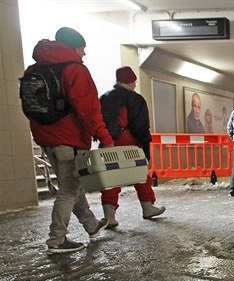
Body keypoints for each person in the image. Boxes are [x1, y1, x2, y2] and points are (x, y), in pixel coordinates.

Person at [26, 27, 113, 253]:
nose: (84, 54)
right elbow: (88, 109)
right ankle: (57, 239)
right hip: (69, 139)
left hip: (47, 140)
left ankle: (92, 226)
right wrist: (104, 136)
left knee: (74, 187)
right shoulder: (74, 70)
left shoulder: (35, 69)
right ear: (74, 47)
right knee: (69, 189)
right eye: (83, 49)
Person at [99, 66, 166, 228]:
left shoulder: (103, 98)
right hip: (129, 142)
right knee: (140, 174)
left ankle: (109, 215)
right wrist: (146, 151)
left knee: (111, 177)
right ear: (132, 81)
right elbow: (141, 127)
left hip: (108, 142)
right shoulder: (135, 99)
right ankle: (147, 207)